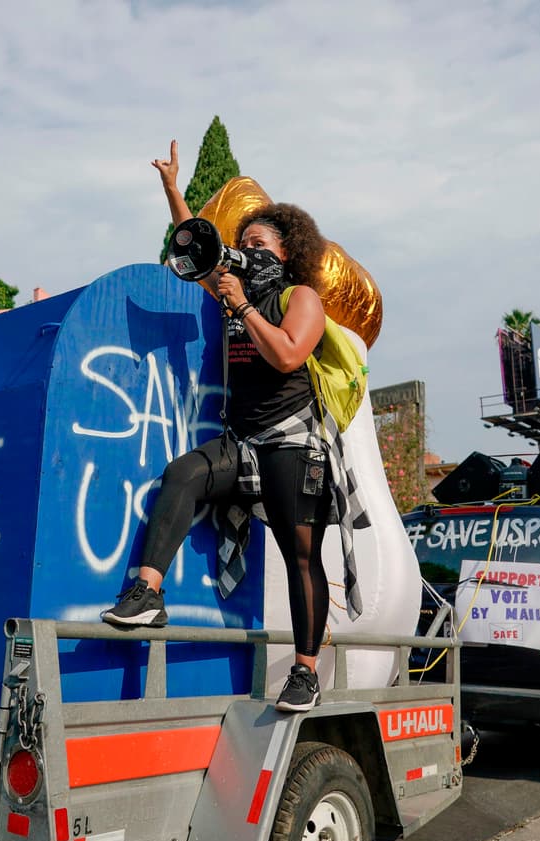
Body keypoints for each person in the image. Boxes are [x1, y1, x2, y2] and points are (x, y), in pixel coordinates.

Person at [101, 140, 366, 712]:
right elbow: (195, 243)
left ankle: (305, 670)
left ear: (287, 253)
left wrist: (244, 307)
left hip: (293, 442)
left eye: (258, 244)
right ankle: (148, 591)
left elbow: (290, 355)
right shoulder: (230, 290)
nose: (245, 251)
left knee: (301, 555)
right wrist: (173, 189)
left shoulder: (302, 298)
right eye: (242, 243)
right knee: (182, 474)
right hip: (243, 441)